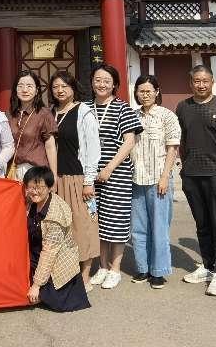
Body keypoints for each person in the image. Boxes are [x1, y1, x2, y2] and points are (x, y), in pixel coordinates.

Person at [175, 65, 216, 297]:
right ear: (190, 83)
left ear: (212, 82)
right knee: (202, 224)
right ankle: (207, 265)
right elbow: (181, 140)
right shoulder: (183, 107)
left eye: (205, 81)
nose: (201, 85)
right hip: (192, 175)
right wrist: (184, 167)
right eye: (197, 81)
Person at [86, 64, 143, 290]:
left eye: (106, 81)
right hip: (91, 174)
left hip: (116, 173)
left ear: (114, 85)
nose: (101, 84)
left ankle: (115, 269)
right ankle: (102, 266)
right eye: (98, 80)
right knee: (97, 221)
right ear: (92, 82)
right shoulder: (85, 108)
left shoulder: (122, 109)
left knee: (116, 221)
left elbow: (129, 141)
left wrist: (109, 168)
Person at [49, 70, 100, 289]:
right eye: (55, 87)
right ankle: (65, 273)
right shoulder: (50, 112)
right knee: (59, 227)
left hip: (77, 178)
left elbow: (93, 149)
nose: (60, 90)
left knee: (82, 225)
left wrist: (89, 181)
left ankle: (85, 275)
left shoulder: (84, 112)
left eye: (64, 86)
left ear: (73, 88)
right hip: (55, 179)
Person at [129, 75, 181, 290]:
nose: (145, 95)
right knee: (138, 228)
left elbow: (172, 148)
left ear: (157, 92)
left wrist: (165, 176)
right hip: (136, 179)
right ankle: (143, 268)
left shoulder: (167, 116)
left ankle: (158, 271)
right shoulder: (132, 116)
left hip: (158, 179)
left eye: (149, 91)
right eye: (141, 91)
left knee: (159, 227)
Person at [24, 166, 90, 312]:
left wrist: (36, 285)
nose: (34, 192)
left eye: (39, 188)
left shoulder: (55, 215)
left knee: (47, 299)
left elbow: (49, 253)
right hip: (35, 253)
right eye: (31, 187)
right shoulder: (32, 202)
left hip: (56, 260)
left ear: (49, 188)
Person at [8, 70, 57, 182]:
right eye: (20, 86)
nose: (25, 90)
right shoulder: (9, 114)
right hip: (13, 171)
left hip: (36, 171)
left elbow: (50, 146)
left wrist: (53, 175)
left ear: (37, 91)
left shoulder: (44, 114)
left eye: (29, 86)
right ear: (15, 90)